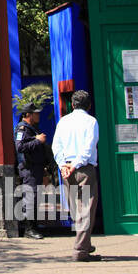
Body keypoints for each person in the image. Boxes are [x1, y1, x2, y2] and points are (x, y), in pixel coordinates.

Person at [52, 90, 102, 261]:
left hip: (66, 169)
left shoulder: (63, 121)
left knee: (75, 209)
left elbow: (56, 146)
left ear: (72, 105)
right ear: (89, 105)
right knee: (86, 209)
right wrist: (75, 165)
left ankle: (85, 244)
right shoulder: (91, 121)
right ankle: (80, 249)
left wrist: (63, 165)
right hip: (83, 169)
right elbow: (88, 148)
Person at [14, 106, 51, 239]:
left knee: (35, 198)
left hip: (36, 168)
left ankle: (34, 225)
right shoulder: (22, 128)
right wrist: (37, 140)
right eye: (36, 114)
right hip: (29, 169)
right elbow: (20, 147)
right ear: (28, 114)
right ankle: (29, 229)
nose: (38, 116)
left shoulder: (32, 128)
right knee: (31, 198)